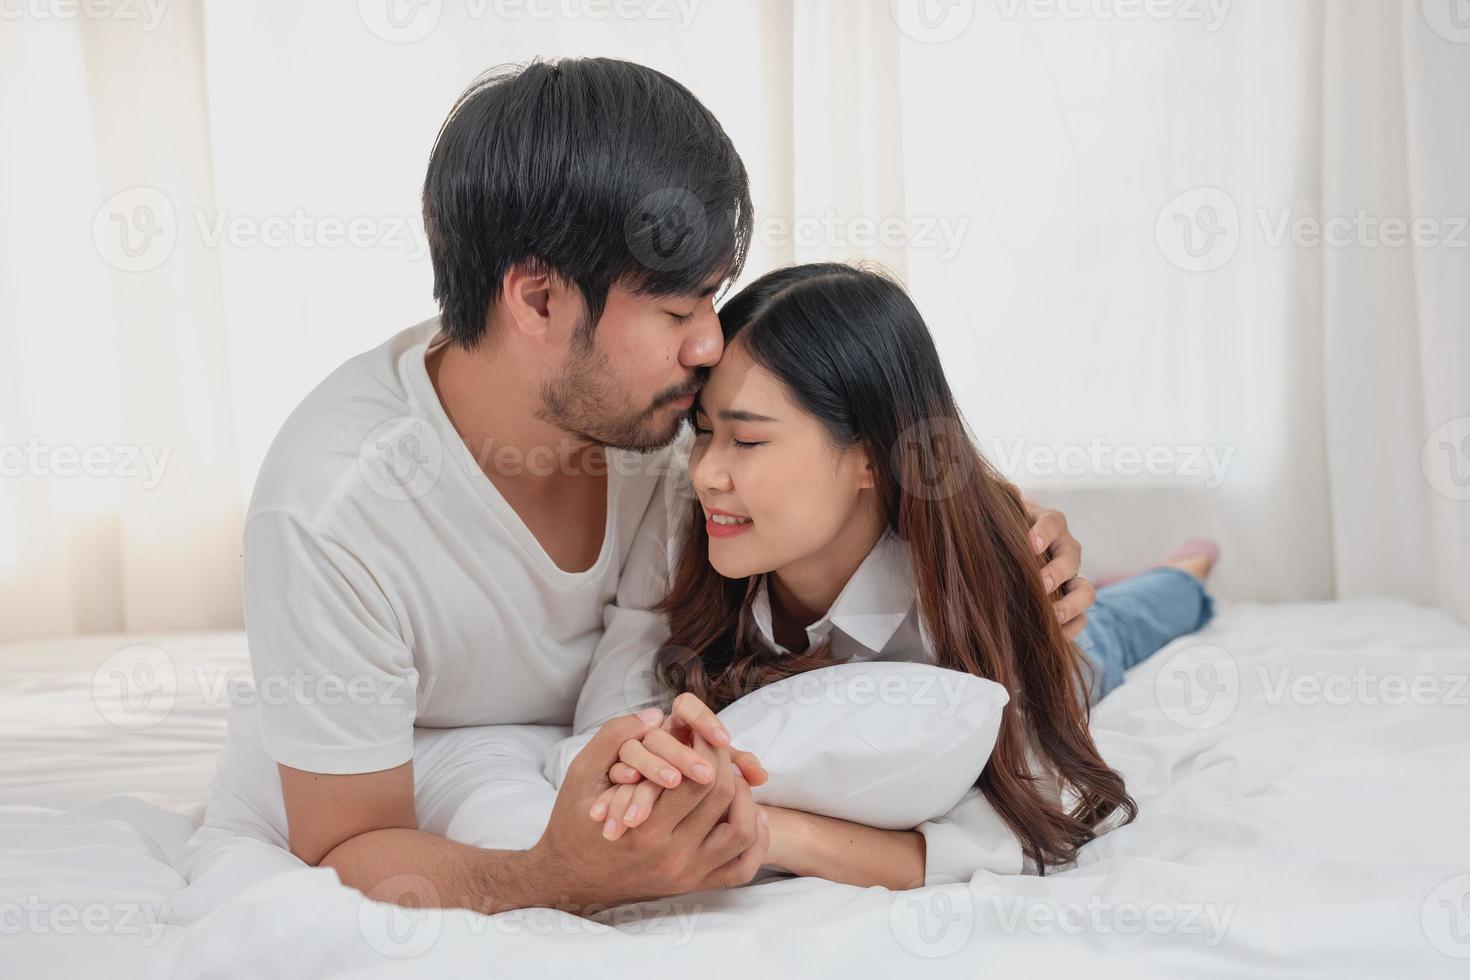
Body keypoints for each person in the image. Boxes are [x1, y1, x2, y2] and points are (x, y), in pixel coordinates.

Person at [186, 59, 1097, 915]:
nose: (710, 344)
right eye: (676, 310)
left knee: (1123, 628)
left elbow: (854, 409)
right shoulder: (331, 512)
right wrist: (556, 875)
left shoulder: (656, 402)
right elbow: (347, 840)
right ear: (538, 302)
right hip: (556, 750)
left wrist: (996, 525)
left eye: (712, 298)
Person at [561, 264, 1217, 890]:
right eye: (702, 434)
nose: (705, 472)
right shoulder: (689, 529)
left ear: (873, 458)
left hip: (1067, 641)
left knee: (1118, 629)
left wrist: (765, 828)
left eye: (749, 441)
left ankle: (1182, 570)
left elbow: (1015, 833)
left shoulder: (971, 606)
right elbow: (597, 736)